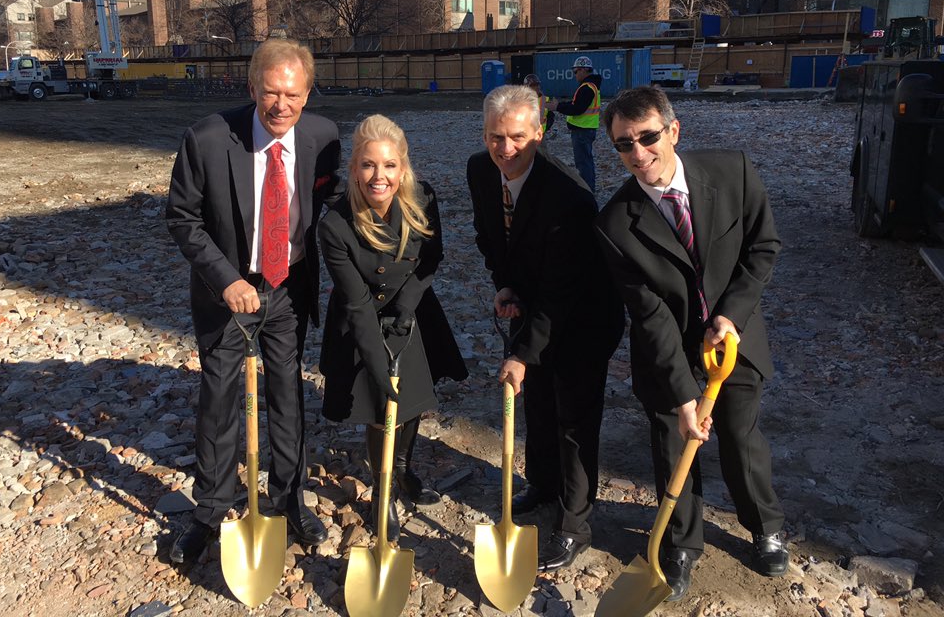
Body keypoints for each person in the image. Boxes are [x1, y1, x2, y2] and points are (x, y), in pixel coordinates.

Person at [594, 86, 788, 602]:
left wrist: (730, 315)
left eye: (648, 137)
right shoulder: (615, 223)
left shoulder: (733, 172)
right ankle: (680, 544)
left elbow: (762, 246)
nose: (638, 154)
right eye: (623, 145)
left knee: (740, 437)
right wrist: (683, 398)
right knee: (672, 442)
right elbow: (649, 314)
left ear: (673, 131)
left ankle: (763, 526)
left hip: (733, 342)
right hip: (668, 350)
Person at [166, 38, 341, 564]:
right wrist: (226, 279)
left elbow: (329, 204)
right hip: (228, 293)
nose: (280, 105)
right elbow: (183, 218)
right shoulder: (207, 139)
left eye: (292, 94)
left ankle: (290, 499)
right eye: (269, 93)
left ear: (307, 94)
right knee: (219, 400)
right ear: (251, 88)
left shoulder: (324, 137)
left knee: (287, 394)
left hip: (288, 289)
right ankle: (208, 510)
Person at [467, 84, 624, 572]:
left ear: (539, 131)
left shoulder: (569, 196)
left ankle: (576, 522)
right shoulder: (481, 170)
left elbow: (563, 290)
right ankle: (543, 483)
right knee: (535, 401)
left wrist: (520, 352)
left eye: (517, 137)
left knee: (573, 419)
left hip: (583, 315)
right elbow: (490, 235)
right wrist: (506, 284)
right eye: (496, 137)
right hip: (534, 300)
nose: (505, 149)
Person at [319, 114, 466, 541]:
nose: (378, 176)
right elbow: (357, 303)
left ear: (403, 167)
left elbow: (431, 258)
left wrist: (408, 304)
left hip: (411, 307)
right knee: (381, 411)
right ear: (354, 168)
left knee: (413, 401)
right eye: (368, 165)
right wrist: (377, 363)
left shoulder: (422, 198)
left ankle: (403, 471)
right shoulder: (335, 224)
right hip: (360, 316)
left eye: (388, 165)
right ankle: (382, 494)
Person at [543, 56, 601, 192]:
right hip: (586, 129)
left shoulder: (586, 88)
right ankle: (589, 187)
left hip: (582, 130)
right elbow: (575, 104)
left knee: (583, 163)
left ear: (584, 70)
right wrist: (559, 105)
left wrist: (557, 108)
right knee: (586, 161)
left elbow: (577, 109)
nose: (575, 75)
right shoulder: (590, 86)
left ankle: (587, 190)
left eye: (576, 71)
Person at [523, 73, 554, 137]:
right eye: (534, 85)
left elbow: (550, 116)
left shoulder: (545, 99)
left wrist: (546, 127)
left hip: (540, 136)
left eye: (537, 85)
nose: (537, 87)